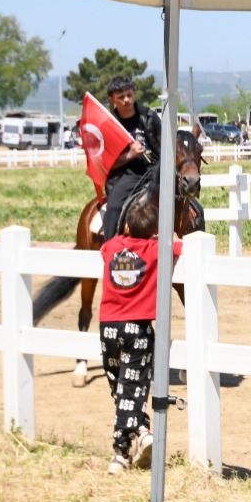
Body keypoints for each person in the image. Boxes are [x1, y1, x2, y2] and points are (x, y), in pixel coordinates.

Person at [99, 193, 182, 474]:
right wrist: (165, 236)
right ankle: (125, 449)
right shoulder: (156, 249)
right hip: (138, 328)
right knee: (133, 388)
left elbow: (104, 247)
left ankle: (137, 436)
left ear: (126, 227)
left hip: (108, 327)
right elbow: (179, 246)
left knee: (120, 388)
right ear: (154, 231)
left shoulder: (111, 247)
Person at [99, 75, 164, 242]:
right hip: (130, 174)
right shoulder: (110, 125)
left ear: (134, 93)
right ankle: (110, 246)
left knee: (190, 202)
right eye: (121, 97)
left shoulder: (149, 117)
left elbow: (165, 145)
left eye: (129, 94)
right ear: (112, 99)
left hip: (158, 168)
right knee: (113, 207)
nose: (126, 100)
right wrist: (130, 155)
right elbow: (108, 163)